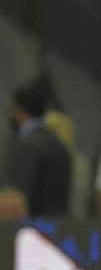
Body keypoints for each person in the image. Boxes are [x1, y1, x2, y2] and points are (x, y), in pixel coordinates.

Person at [0, 81, 71, 217]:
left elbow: (19, 198)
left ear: (19, 110)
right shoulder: (56, 142)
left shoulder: (28, 146)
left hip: (32, 229)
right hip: (56, 227)